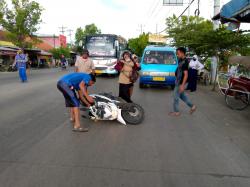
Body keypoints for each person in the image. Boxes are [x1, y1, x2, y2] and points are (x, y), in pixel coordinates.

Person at [169, 47, 196, 117]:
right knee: (182, 96)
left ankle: (176, 112)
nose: (177, 55)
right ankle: (192, 106)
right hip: (178, 81)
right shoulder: (180, 60)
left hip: (180, 83)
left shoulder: (185, 62)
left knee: (175, 96)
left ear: (182, 53)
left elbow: (186, 75)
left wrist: (182, 85)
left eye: (178, 53)